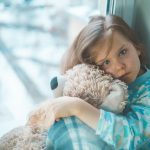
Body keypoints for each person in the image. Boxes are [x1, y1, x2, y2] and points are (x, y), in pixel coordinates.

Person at [28, 15, 150, 149]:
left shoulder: (147, 90)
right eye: (106, 62)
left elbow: (132, 138)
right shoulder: (101, 86)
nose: (118, 66)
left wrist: (77, 107)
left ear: (137, 47)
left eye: (123, 52)